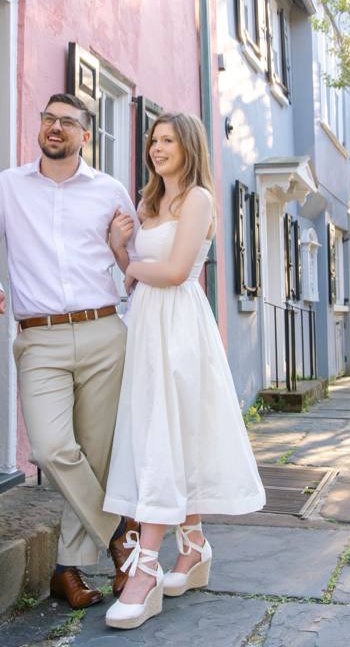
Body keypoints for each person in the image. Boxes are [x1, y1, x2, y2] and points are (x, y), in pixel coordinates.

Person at [0, 92, 142, 610]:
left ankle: (67, 570)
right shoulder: (9, 186)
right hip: (39, 337)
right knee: (52, 449)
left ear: (86, 134)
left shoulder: (109, 191)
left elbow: (135, 264)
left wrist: (118, 247)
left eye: (68, 122)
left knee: (96, 457)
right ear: (40, 128)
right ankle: (122, 541)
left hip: (105, 330)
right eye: (48, 119)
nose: (55, 127)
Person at [102, 112, 265, 630]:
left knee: (163, 439)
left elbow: (173, 273)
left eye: (168, 140)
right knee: (161, 435)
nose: (157, 148)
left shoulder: (197, 199)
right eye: (153, 140)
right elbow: (137, 280)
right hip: (147, 328)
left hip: (179, 332)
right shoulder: (147, 204)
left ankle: (145, 570)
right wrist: (120, 250)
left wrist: (128, 262)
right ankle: (191, 547)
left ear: (189, 145)